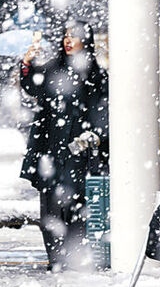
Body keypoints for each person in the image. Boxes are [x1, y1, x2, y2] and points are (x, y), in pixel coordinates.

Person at [18, 19, 108, 271]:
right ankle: (56, 258)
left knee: (78, 203)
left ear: (86, 41)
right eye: (66, 36)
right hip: (50, 146)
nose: (69, 41)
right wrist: (27, 62)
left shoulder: (95, 74)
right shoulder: (53, 68)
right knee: (50, 205)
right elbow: (32, 86)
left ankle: (74, 255)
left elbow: (103, 108)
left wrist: (94, 136)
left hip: (79, 149)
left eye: (75, 36)